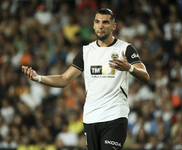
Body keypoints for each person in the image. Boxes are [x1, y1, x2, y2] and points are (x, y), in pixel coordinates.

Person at [22, 8, 150, 150]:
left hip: (115, 116)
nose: (100, 26)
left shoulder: (125, 49)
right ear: (94, 25)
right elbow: (64, 79)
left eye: (105, 22)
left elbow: (146, 77)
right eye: (97, 22)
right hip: (91, 117)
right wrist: (38, 78)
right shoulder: (86, 51)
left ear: (114, 26)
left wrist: (129, 68)